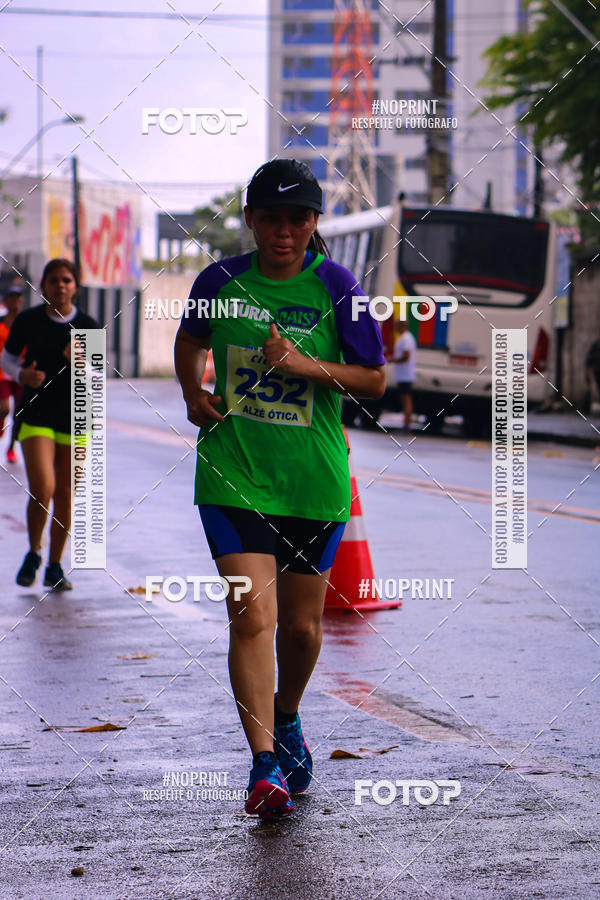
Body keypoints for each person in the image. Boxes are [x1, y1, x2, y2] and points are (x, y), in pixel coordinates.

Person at [174, 159, 385, 819]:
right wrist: (191, 391)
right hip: (232, 476)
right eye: (271, 218)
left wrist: (303, 364)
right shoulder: (220, 280)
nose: (284, 231)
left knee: (300, 630)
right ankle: (264, 763)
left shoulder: (339, 287)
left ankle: (287, 716)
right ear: (251, 221)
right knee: (252, 617)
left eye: (298, 219)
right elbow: (190, 340)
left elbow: (375, 379)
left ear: (314, 223)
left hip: (312, 484)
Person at [0, 258, 100, 591]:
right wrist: (21, 375)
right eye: (54, 280)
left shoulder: (88, 324)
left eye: (67, 280)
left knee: (65, 494)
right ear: (43, 285)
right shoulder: (28, 321)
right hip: (37, 412)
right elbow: (8, 358)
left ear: (76, 286)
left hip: (76, 416)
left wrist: (82, 361)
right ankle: (33, 552)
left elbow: (98, 376)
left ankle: (55, 565)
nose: (61, 286)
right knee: (42, 489)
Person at [0, 286, 24, 463]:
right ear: (5, 301)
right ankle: (1, 426)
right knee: (4, 408)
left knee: (19, 413)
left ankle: (11, 448)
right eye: (12, 298)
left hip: (22, 373)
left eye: (18, 298)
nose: (15, 302)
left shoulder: (26, 323)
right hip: (2, 372)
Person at [389, 318, 417, 430]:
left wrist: (393, 359)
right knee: (405, 398)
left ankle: (407, 424)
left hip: (405, 374)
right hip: (403, 374)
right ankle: (406, 422)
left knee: (406, 399)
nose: (395, 328)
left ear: (402, 326)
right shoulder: (405, 338)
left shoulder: (406, 339)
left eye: (396, 326)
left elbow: (406, 356)